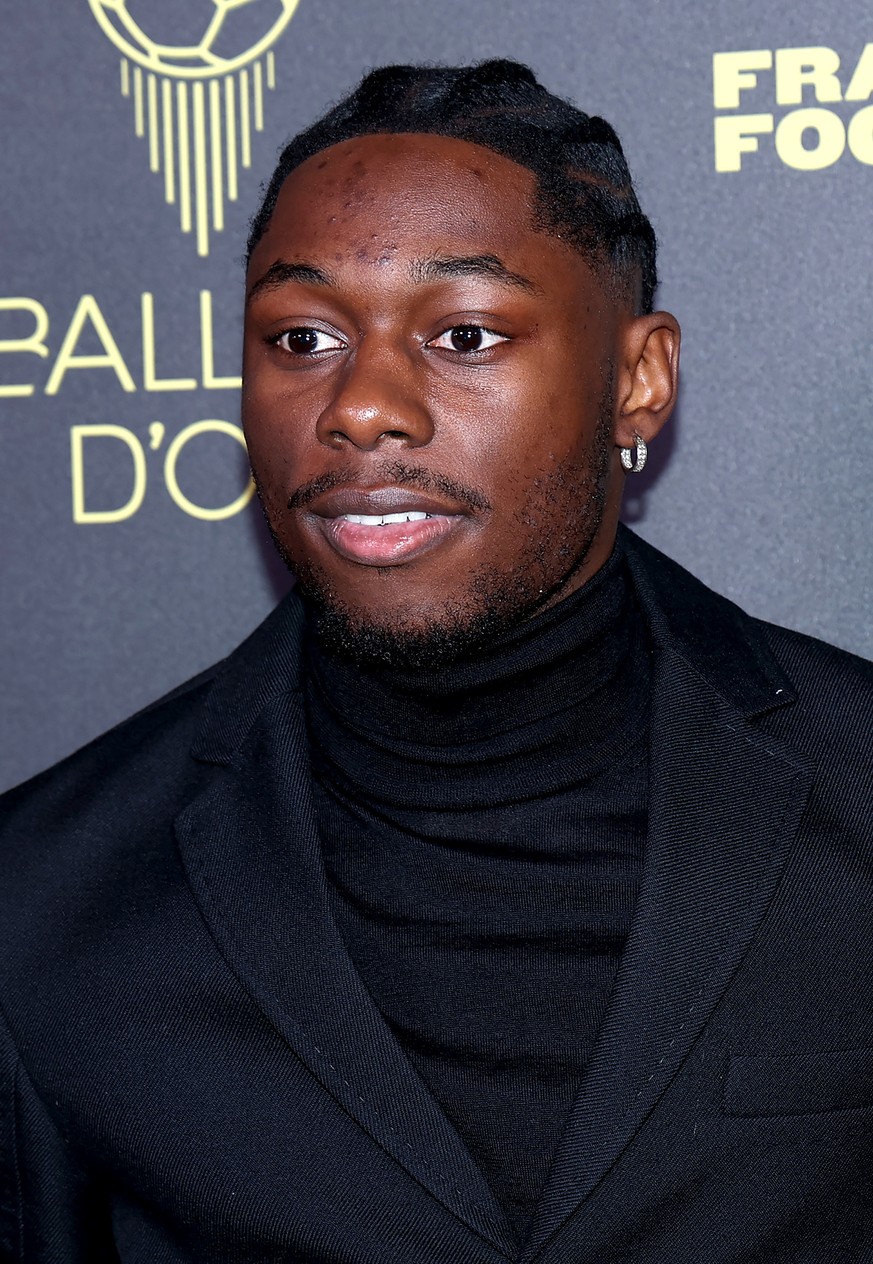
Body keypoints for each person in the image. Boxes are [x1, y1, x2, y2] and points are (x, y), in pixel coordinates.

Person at [1, 58, 871, 1264]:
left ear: (637, 378)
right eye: (301, 336)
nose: (361, 406)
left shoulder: (857, 787)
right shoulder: (44, 903)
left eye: (464, 333)